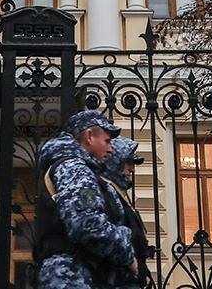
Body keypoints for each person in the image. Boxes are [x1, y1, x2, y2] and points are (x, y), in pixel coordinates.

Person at [35, 110, 136, 289]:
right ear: (89, 136)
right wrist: (126, 251)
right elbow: (88, 225)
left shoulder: (71, 165)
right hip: (71, 276)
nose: (111, 149)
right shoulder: (74, 168)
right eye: (107, 141)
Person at [99, 137, 152, 289]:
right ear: (114, 162)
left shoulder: (116, 192)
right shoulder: (105, 192)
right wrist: (134, 266)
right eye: (128, 162)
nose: (132, 169)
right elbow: (104, 236)